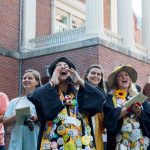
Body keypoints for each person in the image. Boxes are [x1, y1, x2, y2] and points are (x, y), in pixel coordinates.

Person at [28, 57, 106, 150]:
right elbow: (35, 96)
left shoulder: (79, 94)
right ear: (54, 72)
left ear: (70, 73)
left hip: (80, 143)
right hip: (54, 143)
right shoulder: (49, 92)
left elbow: (101, 97)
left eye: (66, 66)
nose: (63, 67)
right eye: (59, 66)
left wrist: (80, 81)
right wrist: (52, 81)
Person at [103, 64, 150, 150]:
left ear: (130, 79)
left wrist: (139, 112)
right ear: (116, 80)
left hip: (140, 144)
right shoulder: (110, 97)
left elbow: (148, 116)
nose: (124, 77)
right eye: (120, 75)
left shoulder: (139, 96)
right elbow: (109, 118)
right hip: (119, 144)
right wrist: (128, 109)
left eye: (126, 75)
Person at [3, 69, 42, 150]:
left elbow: (48, 123)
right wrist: (17, 115)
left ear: (37, 82)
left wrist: (36, 118)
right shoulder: (14, 102)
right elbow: (5, 123)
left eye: (30, 78)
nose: (26, 80)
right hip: (16, 144)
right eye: (24, 78)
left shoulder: (42, 100)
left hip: (34, 143)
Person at [83, 64, 107, 150]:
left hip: (97, 130)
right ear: (86, 75)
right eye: (93, 73)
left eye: (98, 74)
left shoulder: (104, 95)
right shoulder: (79, 91)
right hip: (82, 127)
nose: (96, 76)